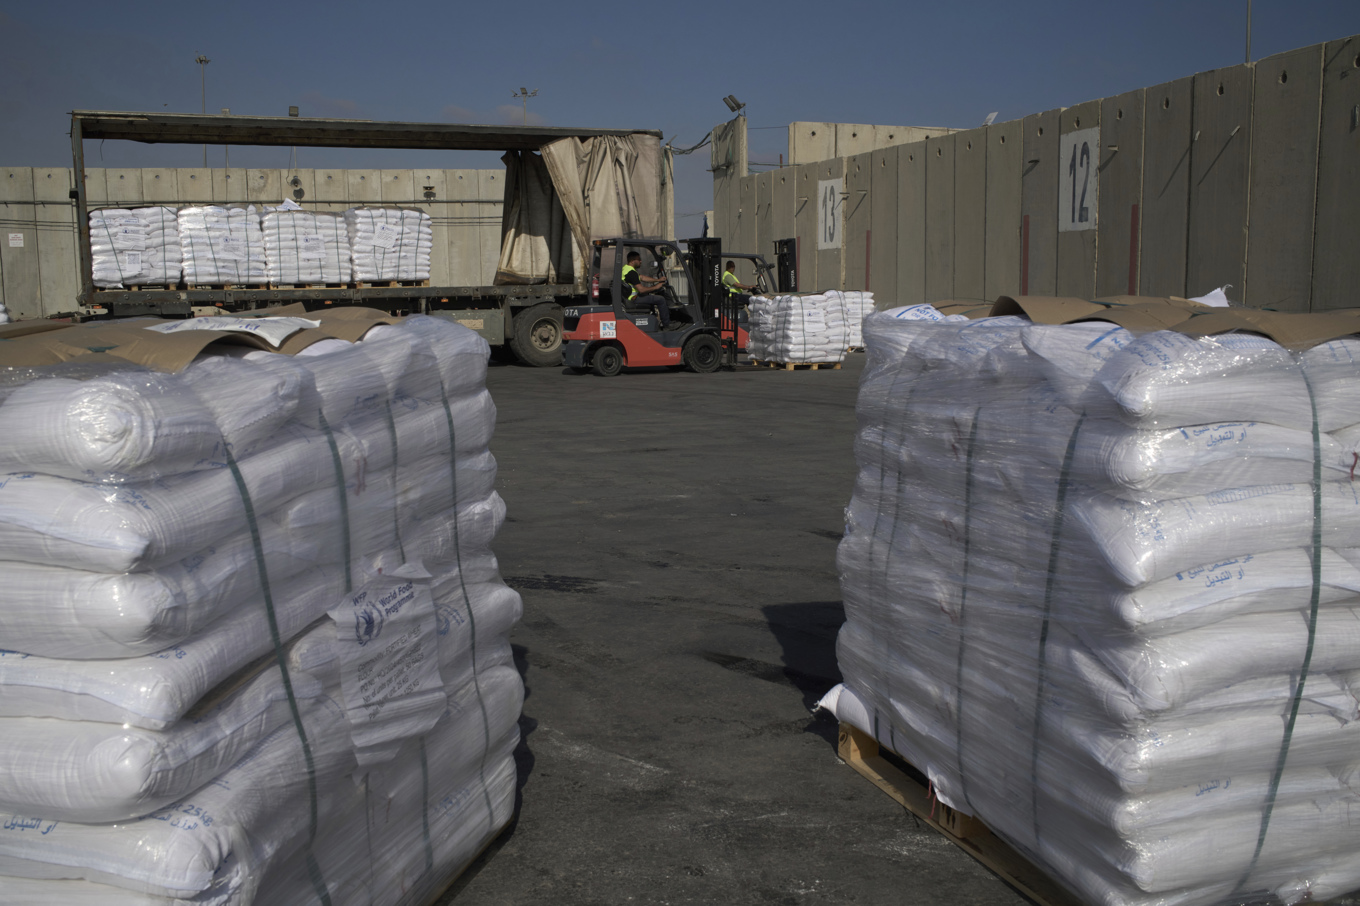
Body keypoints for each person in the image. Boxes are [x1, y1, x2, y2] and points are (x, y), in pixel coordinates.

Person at [622, 251, 674, 328]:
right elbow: (641, 290)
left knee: (650, 296)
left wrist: (658, 280)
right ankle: (667, 325)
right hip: (634, 299)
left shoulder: (626, 269)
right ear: (633, 261)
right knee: (661, 299)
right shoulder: (631, 273)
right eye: (639, 259)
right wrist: (656, 287)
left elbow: (642, 277)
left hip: (630, 297)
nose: (641, 261)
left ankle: (654, 321)